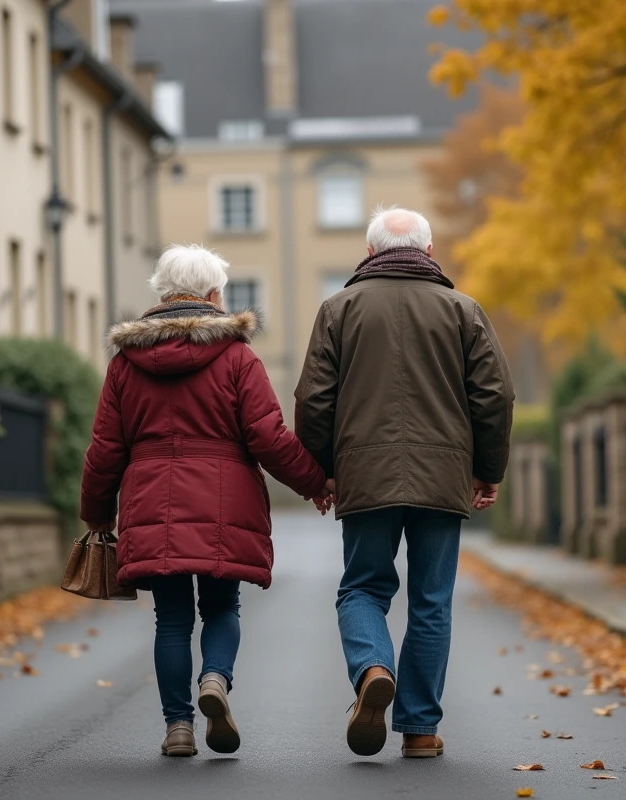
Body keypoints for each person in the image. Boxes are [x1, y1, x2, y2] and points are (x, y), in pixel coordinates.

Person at [80, 244, 334, 758]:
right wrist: (316, 482)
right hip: (226, 500)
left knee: (171, 619)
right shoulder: (238, 357)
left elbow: (106, 447)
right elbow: (268, 436)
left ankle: (178, 727)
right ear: (215, 294)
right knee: (221, 606)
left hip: (152, 501)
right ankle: (214, 680)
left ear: (160, 291)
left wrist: (97, 514)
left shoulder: (126, 365)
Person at [295, 206, 515, 759]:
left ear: (369, 255)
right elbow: (495, 396)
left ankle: (373, 669)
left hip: (364, 475)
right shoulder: (463, 311)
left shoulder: (338, 310)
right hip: (443, 478)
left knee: (363, 586)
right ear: (430, 252)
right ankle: (420, 730)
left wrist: (321, 470)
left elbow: (313, 399)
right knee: (432, 600)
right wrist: (488, 470)